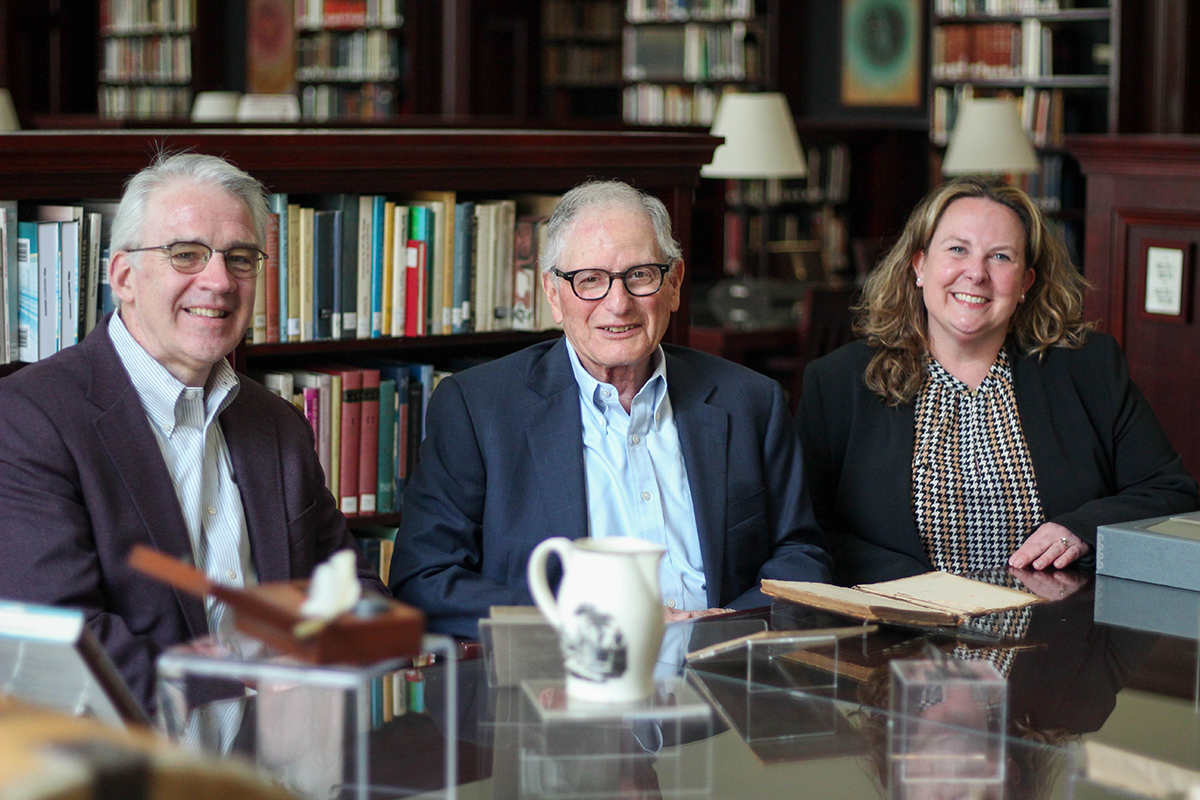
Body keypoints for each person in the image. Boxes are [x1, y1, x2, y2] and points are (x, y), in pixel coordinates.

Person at [0, 152, 386, 712]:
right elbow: (62, 639)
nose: (219, 281)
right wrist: (243, 683)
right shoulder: (30, 419)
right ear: (124, 277)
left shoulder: (278, 425)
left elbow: (357, 595)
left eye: (241, 258)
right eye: (187, 255)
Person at [390, 179, 831, 637]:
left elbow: (801, 555)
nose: (618, 304)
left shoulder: (750, 401)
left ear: (674, 284)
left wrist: (727, 626)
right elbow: (424, 581)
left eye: (640, 275)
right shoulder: (478, 410)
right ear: (553, 294)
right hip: (559, 686)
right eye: (590, 280)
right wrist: (585, 621)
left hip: (719, 679)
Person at [798, 177, 1199, 587]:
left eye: (1001, 257)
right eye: (957, 249)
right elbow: (807, 532)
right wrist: (921, 591)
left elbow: (1169, 492)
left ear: (1025, 283)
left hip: (1053, 636)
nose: (976, 274)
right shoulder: (837, 383)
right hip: (900, 635)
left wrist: (1081, 529)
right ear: (919, 266)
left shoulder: (1089, 369)